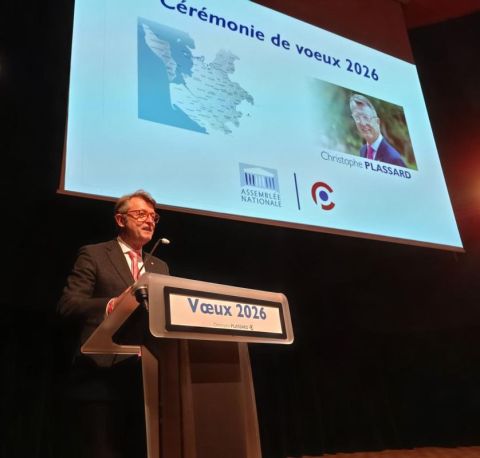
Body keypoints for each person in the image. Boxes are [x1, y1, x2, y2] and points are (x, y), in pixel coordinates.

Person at [57, 190, 169, 458]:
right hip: (101, 378)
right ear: (120, 220)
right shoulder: (94, 254)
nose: (149, 220)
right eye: (140, 214)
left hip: (146, 382)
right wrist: (111, 305)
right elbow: (68, 304)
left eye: (153, 216)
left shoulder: (160, 266)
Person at [349, 94, 406, 167]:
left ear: (377, 122)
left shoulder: (394, 158)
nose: (362, 123)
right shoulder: (363, 150)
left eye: (366, 117)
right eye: (357, 118)